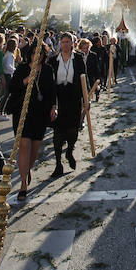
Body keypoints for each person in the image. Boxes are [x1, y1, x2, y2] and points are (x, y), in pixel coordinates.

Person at [7, 41, 56, 200]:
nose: (37, 56)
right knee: (24, 145)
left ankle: (27, 169)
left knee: (34, 149)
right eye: (34, 53)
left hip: (40, 113)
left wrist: (53, 106)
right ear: (30, 54)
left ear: (43, 55)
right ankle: (23, 185)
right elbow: (12, 87)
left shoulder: (48, 70)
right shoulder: (22, 68)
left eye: (40, 53)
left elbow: (52, 90)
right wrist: (27, 79)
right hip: (23, 112)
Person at [50, 33, 86, 178]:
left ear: (72, 43)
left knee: (72, 130)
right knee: (58, 134)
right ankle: (58, 163)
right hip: (59, 98)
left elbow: (84, 78)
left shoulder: (78, 58)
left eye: (67, 42)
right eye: (62, 42)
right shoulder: (53, 61)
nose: (64, 44)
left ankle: (70, 151)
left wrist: (86, 99)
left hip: (73, 98)